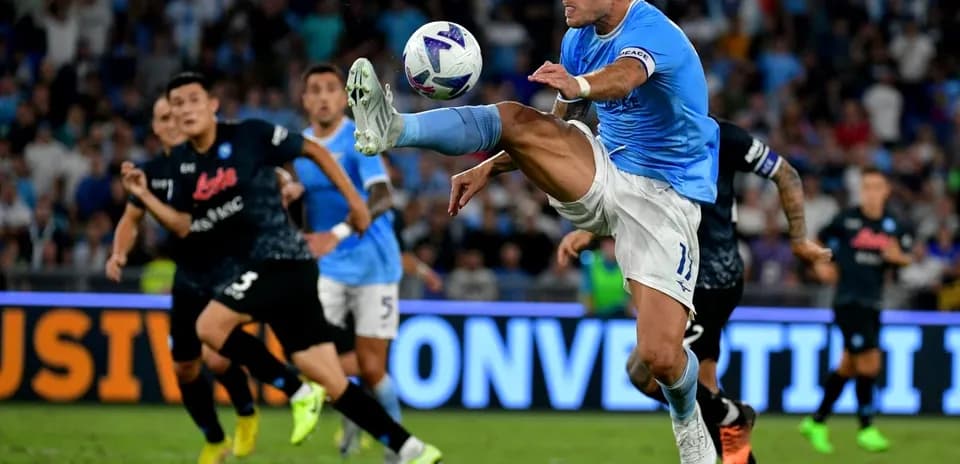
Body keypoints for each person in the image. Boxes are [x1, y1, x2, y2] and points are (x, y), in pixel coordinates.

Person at [348, 1, 720, 461]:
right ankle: (395, 127)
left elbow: (624, 76)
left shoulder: (654, 32)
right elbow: (556, 127)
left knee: (660, 355)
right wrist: (492, 166)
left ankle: (688, 421)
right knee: (515, 118)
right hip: (604, 169)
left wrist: (579, 83)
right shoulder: (578, 39)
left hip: (665, 197)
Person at [123, 71, 442, 464]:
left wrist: (356, 205)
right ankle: (413, 449)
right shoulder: (187, 167)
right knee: (333, 379)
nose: (185, 110)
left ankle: (296, 392)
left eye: (193, 100)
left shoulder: (249, 135)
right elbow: (185, 226)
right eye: (177, 105)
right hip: (274, 271)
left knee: (208, 327)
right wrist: (142, 196)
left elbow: (315, 151)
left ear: (212, 104)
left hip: (282, 260)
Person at [556, 119, 832, 464]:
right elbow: (631, 197)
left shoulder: (721, 135)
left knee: (646, 370)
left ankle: (731, 416)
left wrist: (799, 240)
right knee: (702, 385)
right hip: (683, 272)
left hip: (709, 279)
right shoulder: (646, 129)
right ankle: (734, 437)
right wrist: (593, 230)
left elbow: (786, 173)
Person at [107, 95, 264, 463]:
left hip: (228, 268)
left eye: (179, 112)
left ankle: (246, 412)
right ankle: (214, 439)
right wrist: (118, 253)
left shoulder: (216, 157)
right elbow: (131, 219)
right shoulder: (152, 172)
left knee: (219, 357)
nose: (174, 120)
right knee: (184, 368)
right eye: (165, 116)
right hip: (189, 275)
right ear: (157, 127)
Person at [284, 63, 406, 462]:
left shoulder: (358, 138)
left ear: (343, 97)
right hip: (330, 267)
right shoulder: (298, 148)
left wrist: (333, 234)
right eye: (314, 89)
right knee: (309, 354)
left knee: (371, 369)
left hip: (375, 264)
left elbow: (383, 197)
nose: (322, 97)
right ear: (304, 100)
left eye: (330, 89)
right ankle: (356, 417)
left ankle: (394, 446)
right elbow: (302, 216)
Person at [800, 167, 912, 454]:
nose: (871, 192)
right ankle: (866, 427)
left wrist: (896, 257)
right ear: (861, 190)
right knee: (870, 363)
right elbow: (818, 239)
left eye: (877, 186)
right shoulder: (846, 220)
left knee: (849, 365)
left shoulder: (893, 225)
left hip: (873, 301)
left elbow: (905, 259)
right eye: (867, 187)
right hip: (848, 301)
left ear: (886, 191)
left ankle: (817, 421)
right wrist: (821, 263)